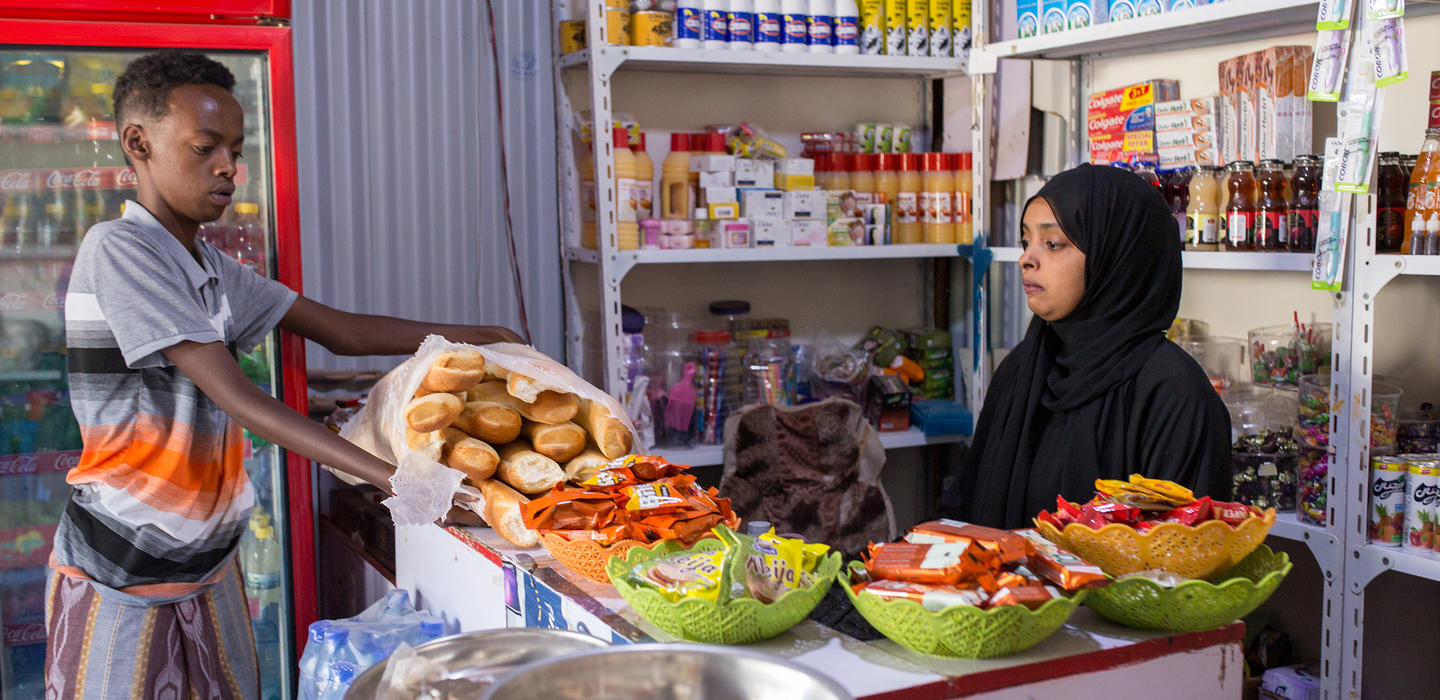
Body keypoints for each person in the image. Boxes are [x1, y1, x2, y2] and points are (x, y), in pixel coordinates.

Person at [45, 50, 519, 698]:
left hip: (210, 563)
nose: (228, 167)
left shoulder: (208, 266)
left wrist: (487, 337)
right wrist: (402, 480)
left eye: (235, 151)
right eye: (206, 147)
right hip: (121, 570)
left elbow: (343, 330)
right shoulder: (121, 252)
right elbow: (237, 398)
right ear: (139, 143)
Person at [942, 163, 1230, 529]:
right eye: (1025, 241)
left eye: (1053, 244)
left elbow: (1186, 560)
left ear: (1117, 256)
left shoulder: (1173, 392)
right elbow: (967, 508)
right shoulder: (1021, 370)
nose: (1026, 259)